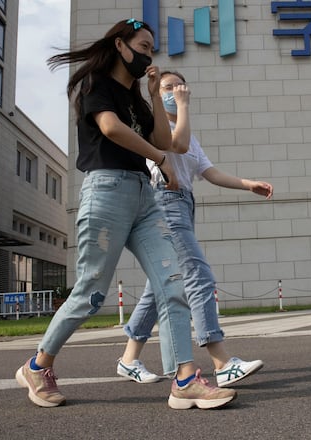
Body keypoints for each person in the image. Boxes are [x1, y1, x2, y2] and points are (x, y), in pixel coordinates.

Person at [14, 19, 236, 410]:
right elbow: (112, 129)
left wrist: (153, 96)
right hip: (106, 191)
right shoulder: (96, 85)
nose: (149, 55)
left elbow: (164, 140)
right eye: (144, 46)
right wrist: (159, 160)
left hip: (143, 197)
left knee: (173, 281)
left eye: (152, 49)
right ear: (120, 45)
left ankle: (185, 379)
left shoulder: (136, 96)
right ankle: (37, 365)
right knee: (90, 293)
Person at [117, 71, 274, 387]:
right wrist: (184, 107)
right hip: (163, 201)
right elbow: (178, 143)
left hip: (184, 204)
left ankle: (128, 359)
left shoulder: (187, 131)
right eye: (167, 87)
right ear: (155, 93)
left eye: (178, 86)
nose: (175, 91)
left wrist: (248, 185)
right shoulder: (152, 124)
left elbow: (209, 172)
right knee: (197, 275)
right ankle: (221, 360)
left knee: (161, 283)